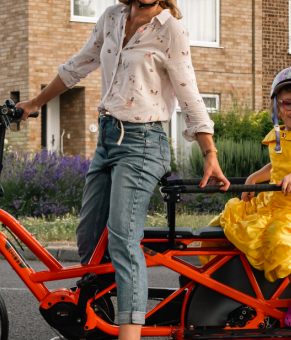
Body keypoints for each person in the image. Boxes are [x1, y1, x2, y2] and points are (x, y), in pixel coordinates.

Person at [16, 0, 229, 339]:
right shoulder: (113, 16)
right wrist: (36, 102)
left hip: (144, 143)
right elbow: (79, 63)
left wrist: (209, 151)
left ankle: (129, 333)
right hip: (108, 139)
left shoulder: (169, 28)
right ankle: (95, 320)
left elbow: (189, 90)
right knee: (89, 238)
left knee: (122, 240)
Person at [202, 66, 291, 328]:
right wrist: (252, 178)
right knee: (229, 220)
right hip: (273, 199)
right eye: (289, 104)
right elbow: (276, 166)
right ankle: (221, 280)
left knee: (279, 235)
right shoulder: (279, 134)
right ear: (278, 105)